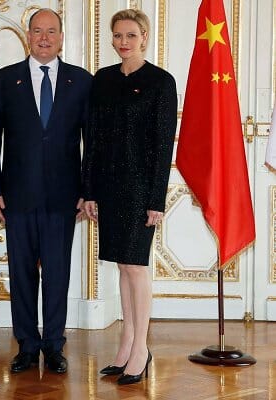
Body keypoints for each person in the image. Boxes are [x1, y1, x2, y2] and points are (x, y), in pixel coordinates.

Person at [0, 8, 92, 374]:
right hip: (17, 195)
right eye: (37, 31)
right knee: (22, 273)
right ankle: (27, 346)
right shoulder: (5, 80)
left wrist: (87, 190)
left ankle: (55, 346)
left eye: (51, 31)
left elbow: (90, 142)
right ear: (26, 36)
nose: (44, 38)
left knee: (58, 274)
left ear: (61, 37)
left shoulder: (81, 81)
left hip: (65, 197)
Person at [82, 9, 177, 385]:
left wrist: (156, 199)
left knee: (136, 266)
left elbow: (162, 145)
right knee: (122, 265)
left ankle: (141, 349)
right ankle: (126, 345)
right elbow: (93, 138)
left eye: (131, 35)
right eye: (118, 36)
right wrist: (89, 190)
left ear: (144, 37)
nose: (123, 42)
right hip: (107, 185)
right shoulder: (102, 80)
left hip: (141, 188)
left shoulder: (160, 81)